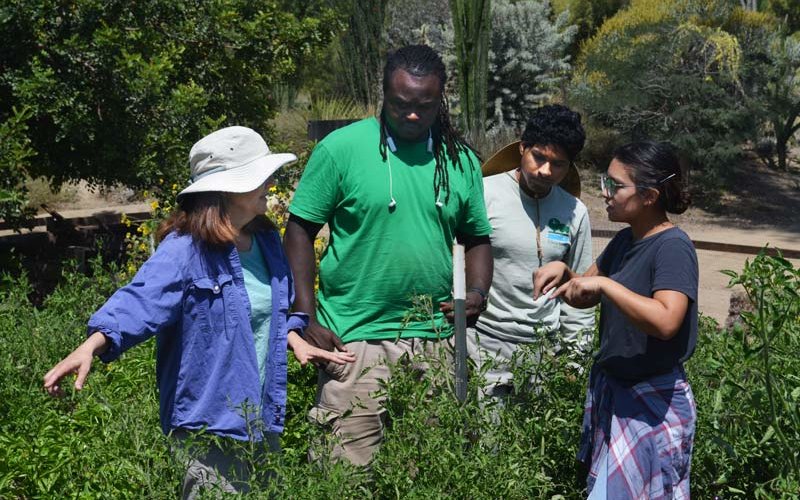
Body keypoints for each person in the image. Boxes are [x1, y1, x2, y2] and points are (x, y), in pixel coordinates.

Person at [43, 126, 355, 498]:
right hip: (209, 424)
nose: (271, 183)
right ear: (226, 188)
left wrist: (292, 338)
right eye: (259, 177)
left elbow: (265, 309)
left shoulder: (267, 242)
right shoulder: (185, 250)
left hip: (261, 418)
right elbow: (139, 301)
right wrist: (90, 345)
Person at [283, 44, 493, 466]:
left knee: (427, 473)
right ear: (384, 95)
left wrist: (476, 291)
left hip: (435, 339)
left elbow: (477, 237)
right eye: (401, 105)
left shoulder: (460, 159)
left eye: (425, 106)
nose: (413, 115)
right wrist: (305, 314)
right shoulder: (341, 149)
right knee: (344, 473)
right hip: (356, 336)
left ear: (440, 101)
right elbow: (300, 229)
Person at [534, 141, 697, 498]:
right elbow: (584, 295)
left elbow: (668, 320)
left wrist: (606, 284)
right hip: (620, 395)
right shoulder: (625, 241)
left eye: (615, 185)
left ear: (650, 196)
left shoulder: (672, 246)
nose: (604, 193)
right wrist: (566, 274)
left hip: (651, 405)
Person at [469, 104, 594, 405]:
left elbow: (579, 295)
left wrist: (574, 360)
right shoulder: (483, 193)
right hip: (484, 344)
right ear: (522, 147)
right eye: (538, 157)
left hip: (544, 355)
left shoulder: (575, 212)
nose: (546, 171)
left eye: (559, 164)